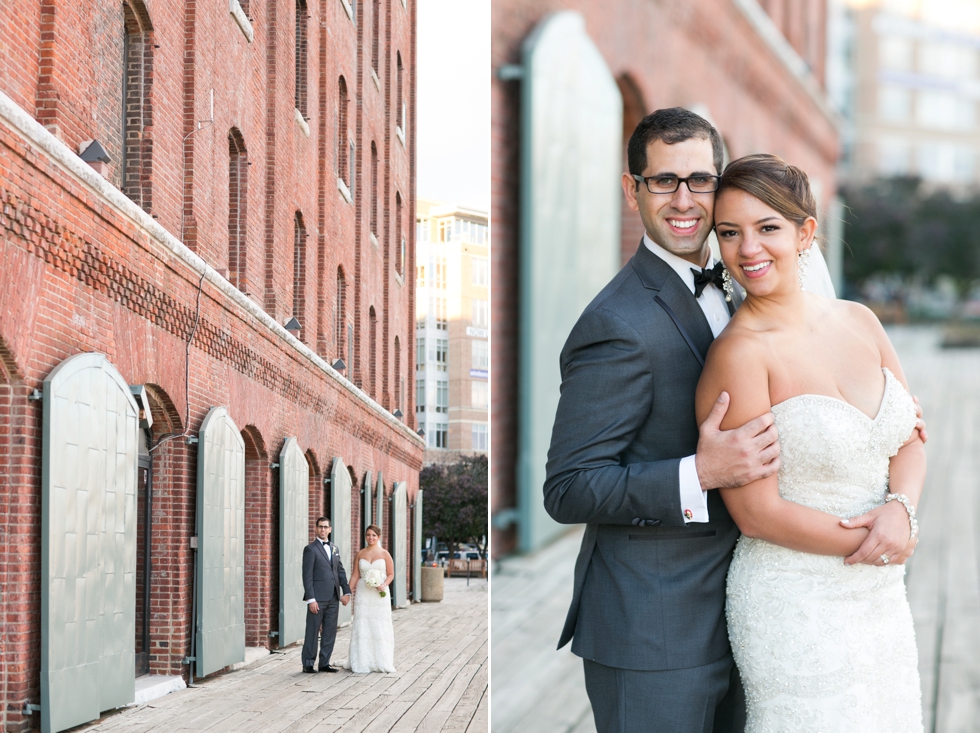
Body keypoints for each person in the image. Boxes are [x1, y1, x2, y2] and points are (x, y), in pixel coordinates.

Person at [543, 108, 920, 733]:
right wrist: (698, 473)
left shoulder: (747, 277)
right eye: (663, 181)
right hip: (654, 633)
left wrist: (880, 415)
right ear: (631, 190)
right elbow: (567, 487)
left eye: (699, 179)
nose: (684, 199)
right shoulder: (616, 324)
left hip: (762, 612)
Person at [695, 154, 924, 731]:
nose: (748, 249)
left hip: (880, 597)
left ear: (805, 233)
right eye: (729, 232)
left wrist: (901, 511)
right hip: (794, 604)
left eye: (767, 228)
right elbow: (756, 514)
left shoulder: (861, 321)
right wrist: (880, 538)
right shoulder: (739, 356)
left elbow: (910, 436)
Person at [302, 516, 351, 674]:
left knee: (329, 631)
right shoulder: (310, 549)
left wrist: (347, 591)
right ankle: (308, 663)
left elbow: (340, 572)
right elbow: (307, 576)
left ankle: (324, 663)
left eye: (325, 527)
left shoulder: (335, 548)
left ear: (330, 529)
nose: (323, 529)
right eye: (320, 527)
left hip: (333, 598)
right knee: (312, 631)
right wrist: (311, 599)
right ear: (316, 529)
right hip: (317, 599)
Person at [347, 524, 396, 673]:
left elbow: (391, 574)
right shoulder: (360, 554)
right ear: (365, 536)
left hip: (379, 595)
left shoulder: (385, 554)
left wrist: (384, 584)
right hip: (363, 594)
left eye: (374, 535)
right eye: (368, 535)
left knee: (379, 625)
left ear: (379, 537)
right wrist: (347, 593)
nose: (371, 538)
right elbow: (356, 575)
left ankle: (381, 659)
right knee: (363, 624)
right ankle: (362, 660)